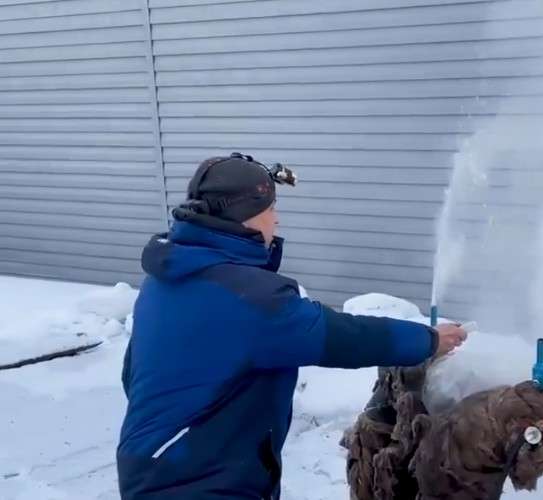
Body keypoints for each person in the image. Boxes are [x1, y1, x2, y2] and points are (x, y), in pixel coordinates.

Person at [116, 153, 467, 499]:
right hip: (199, 480)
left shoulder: (167, 278)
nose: (276, 220)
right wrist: (428, 339)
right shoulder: (248, 297)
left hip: (151, 465)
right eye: (270, 209)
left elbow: (133, 374)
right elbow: (342, 336)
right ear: (246, 217)